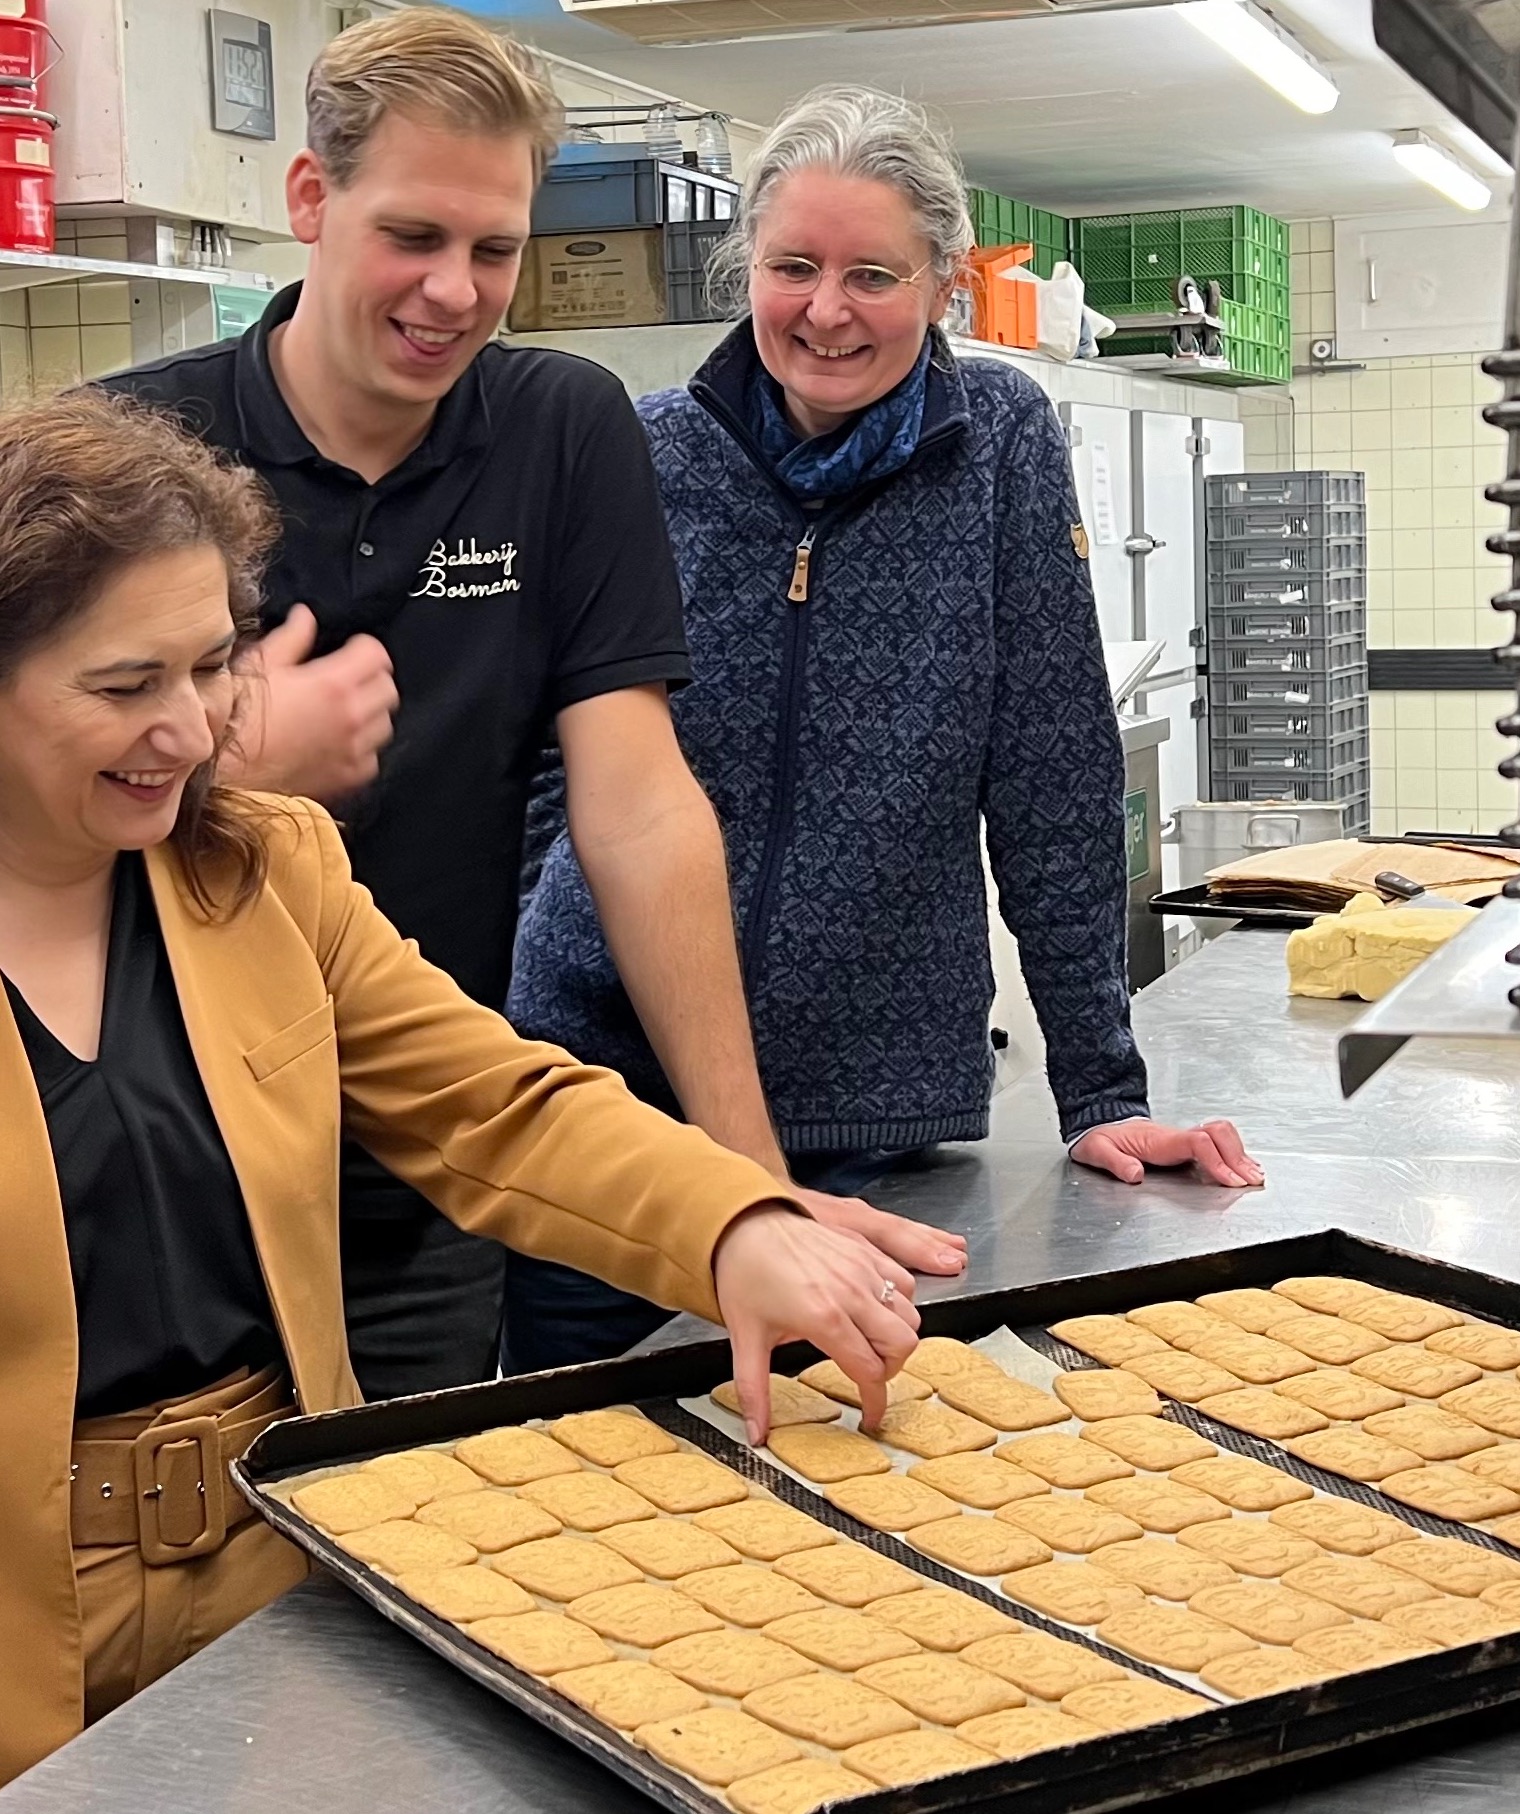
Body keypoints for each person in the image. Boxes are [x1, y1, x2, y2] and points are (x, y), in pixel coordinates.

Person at [0, 391, 921, 1814]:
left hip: (280, 1588)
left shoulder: (265, 875)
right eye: (122, 687)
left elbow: (498, 1108)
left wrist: (734, 1223)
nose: (186, 732)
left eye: (211, 665)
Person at [100, 9, 962, 1397]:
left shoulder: (562, 430)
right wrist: (217, 749)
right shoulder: (126, 452)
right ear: (311, 202)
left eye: (493, 251)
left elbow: (637, 809)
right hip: (157, 1175)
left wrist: (748, 1184)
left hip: (436, 1155)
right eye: (413, 237)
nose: (454, 290)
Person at [506, 86, 1262, 1368]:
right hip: (609, 1097)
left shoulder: (1000, 447)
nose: (826, 309)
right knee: (580, 1459)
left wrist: (1101, 1090)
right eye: (793, 266)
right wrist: (529, 991)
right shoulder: (643, 452)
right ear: (748, 266)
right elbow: (549, 765)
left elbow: (1053, 769)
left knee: (831, 1480)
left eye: (873, 273)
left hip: (864, 1097)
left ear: (943, 285)